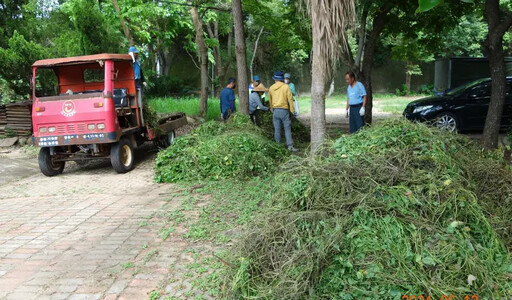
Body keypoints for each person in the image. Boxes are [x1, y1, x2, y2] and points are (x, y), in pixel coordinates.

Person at [269, 71, 297, 152]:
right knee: (287, 128)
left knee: (277, 129)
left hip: (275, 111)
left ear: (275, 79)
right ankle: (290, 146)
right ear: (281, 79)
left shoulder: (271, 88)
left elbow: (270, 101)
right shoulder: (286, 87)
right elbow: (290, 99)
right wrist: (292, 111)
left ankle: (278, 146)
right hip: (284, 110)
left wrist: (272, 109)